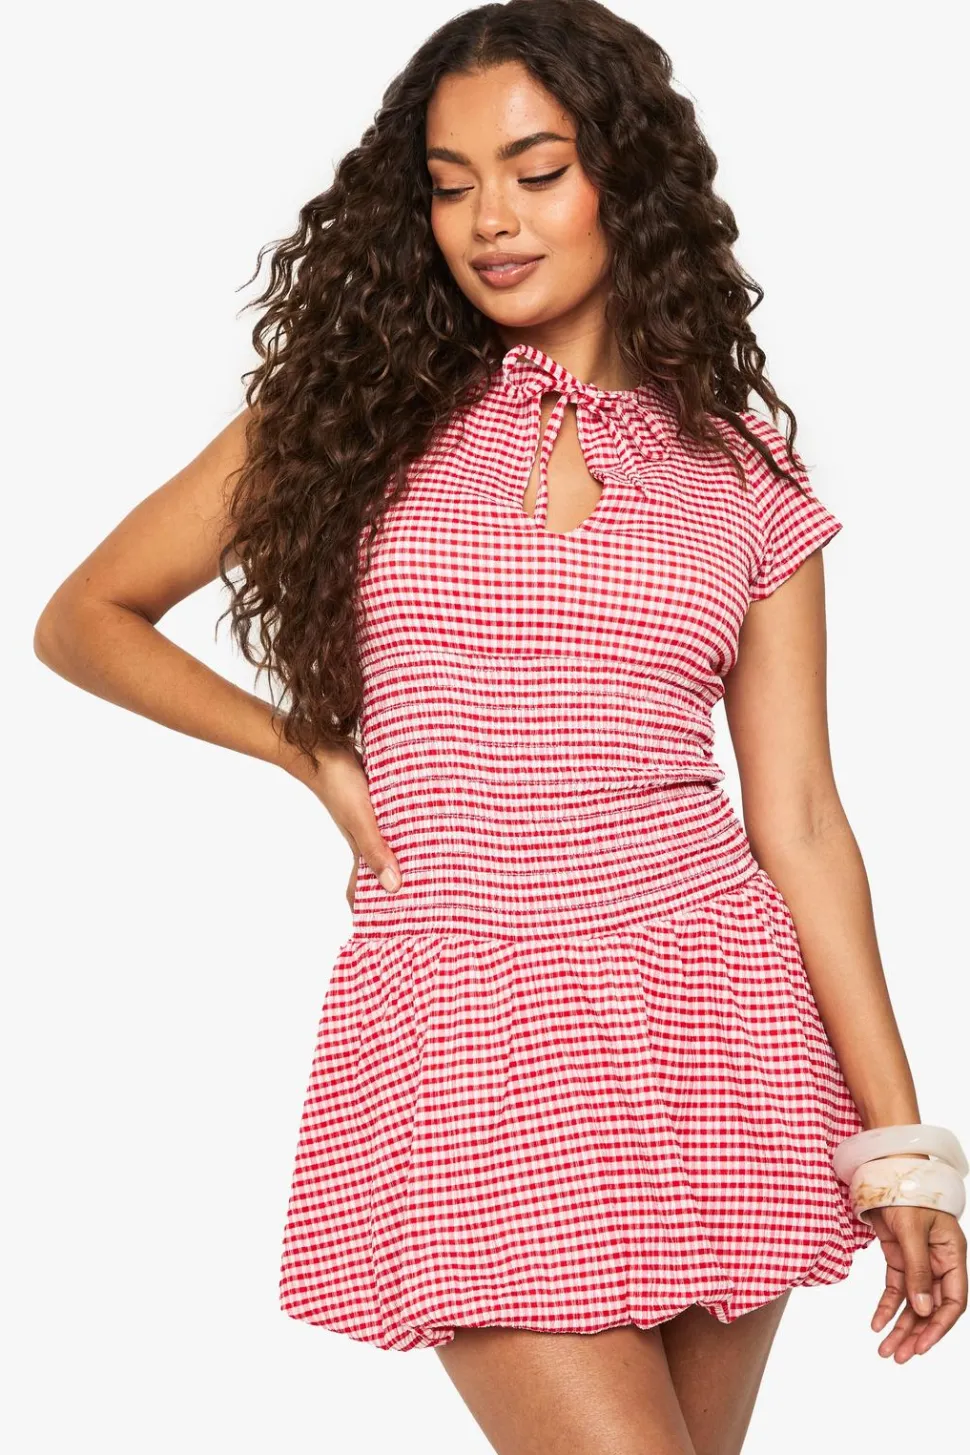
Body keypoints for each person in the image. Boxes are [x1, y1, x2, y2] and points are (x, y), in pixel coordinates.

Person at [33, 2, 967, 1452]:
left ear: (625, 180)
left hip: (713, 1015)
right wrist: (311, 751)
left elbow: (798, 819)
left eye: (535, 172)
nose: (490, 219)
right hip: (470, 1017)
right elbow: (85, 617)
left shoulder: (742, 471)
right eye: (451, 182)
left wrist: (902, 1150)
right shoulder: (349, 419)